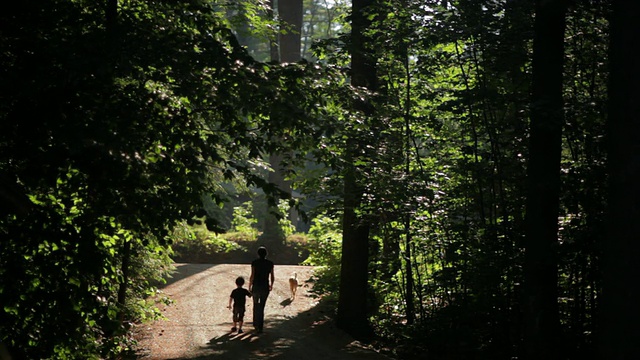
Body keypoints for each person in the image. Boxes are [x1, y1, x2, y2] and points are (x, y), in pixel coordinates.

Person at [249, 246, 274, 333]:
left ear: (258, 254)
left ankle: (255, 323)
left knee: (255, 305)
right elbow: (272, 276)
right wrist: (271, 285)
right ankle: (261, 326)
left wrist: (250, 285)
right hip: (265, 286)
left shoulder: (254, 263)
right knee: (262, 306)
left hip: (256, 286)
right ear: (266, 254)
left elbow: (252, 275)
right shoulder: (270, 263)